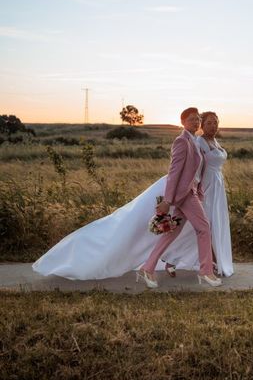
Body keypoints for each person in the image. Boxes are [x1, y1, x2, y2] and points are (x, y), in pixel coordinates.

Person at [32, 107, 229, 288]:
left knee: (172, 233)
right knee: (204, 228)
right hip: (182, 196)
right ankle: (206, 272)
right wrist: (167, 200)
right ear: (183, 122)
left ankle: (148, 267)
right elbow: (174, 172)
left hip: (190, 193)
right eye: (192, 120)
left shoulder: (193, 141)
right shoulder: (181, 141)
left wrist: (198, 190)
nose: (196, 122)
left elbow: (195, 172)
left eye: (197, 119)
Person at [162, 111, 234, 277]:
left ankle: (212, 261)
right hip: (205, 187)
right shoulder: (199, 142)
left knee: (213, 225)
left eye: (215, 122)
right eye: (209, 123)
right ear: (202, 125)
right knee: (202, 226)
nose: (213, 126)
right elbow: (193, 167)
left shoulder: (215, 141)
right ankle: (173, 258)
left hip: (218, 187)